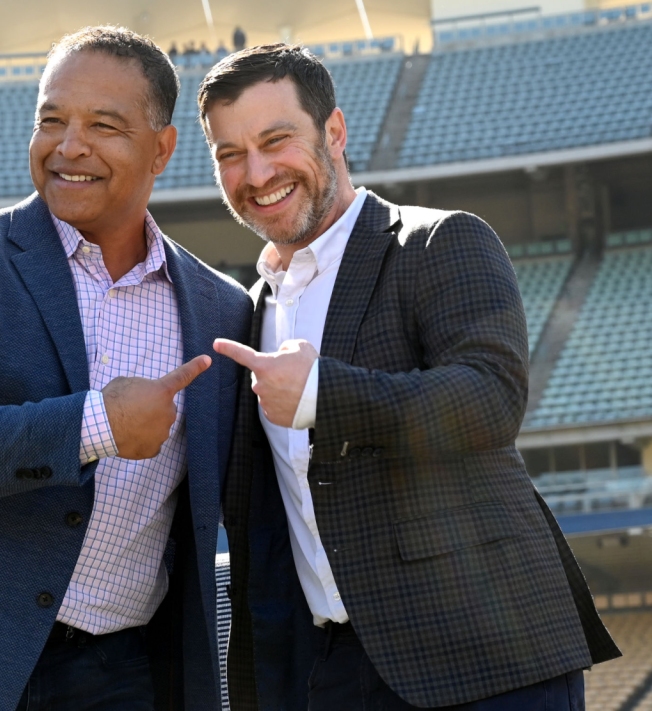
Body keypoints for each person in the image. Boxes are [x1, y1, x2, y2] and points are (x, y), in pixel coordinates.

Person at [0, 27, 250, 711]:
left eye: (103, 125)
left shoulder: (221, 310)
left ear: (163, 149)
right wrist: (99, 424)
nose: (68, 146)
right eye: (51, 120)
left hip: (123, 671)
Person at [198, 44, 621, 710]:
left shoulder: (439, 241)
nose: (256, 172)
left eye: (276, 140)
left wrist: (319, 393)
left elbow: (491, 396)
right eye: (230, 154)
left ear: (333, 132)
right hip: (333, 673)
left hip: (486, 658)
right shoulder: (251, 309)